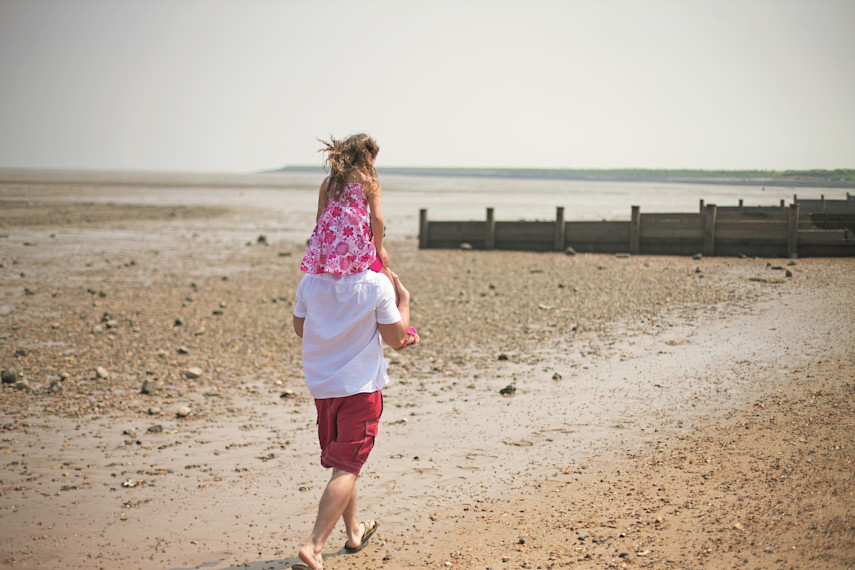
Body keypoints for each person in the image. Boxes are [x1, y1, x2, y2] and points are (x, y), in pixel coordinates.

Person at [291, 266, 415, 570]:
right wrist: (405, 304)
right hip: (359, 390)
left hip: (324, 389)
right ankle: (314, 546)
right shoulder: (375, 284)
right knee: (347, 467)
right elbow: (397, 339)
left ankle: (354, 531)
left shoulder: (310, 281)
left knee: (343, 465)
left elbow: (300, 328)